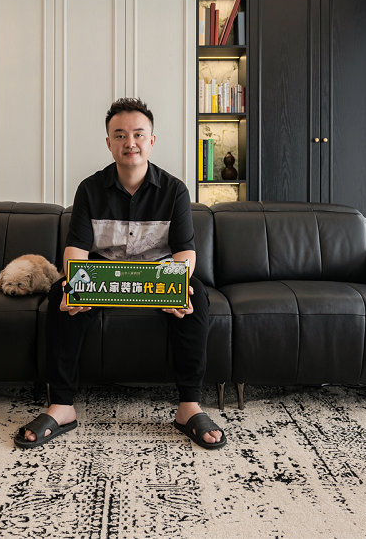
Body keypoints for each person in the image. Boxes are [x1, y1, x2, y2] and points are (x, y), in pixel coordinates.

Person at [14, 98, 226, 450]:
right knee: (60, 295)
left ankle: (188, 407)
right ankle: (62, 406)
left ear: (151, 141)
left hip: (157, 279)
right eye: (120, 135)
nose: (130, 143)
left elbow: (186, 253)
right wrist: (75, 288)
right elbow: (76, 250)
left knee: (196, 297)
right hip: (102, 277)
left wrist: (176, 288)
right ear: (109, 142)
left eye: (139, 134)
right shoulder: (89, 189)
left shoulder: (175, 190)